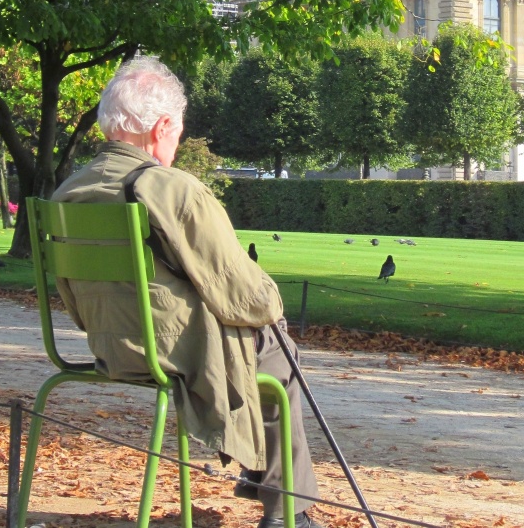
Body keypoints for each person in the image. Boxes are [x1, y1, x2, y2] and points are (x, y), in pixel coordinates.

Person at [52, 56, 322, 528]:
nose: (176, 143)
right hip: (174, 352)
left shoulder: (68, 193)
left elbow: (73, 301)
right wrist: (274, 308)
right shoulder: (170, 188)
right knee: (280, 356)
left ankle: (265, 480)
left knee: (264, 348)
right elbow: (241, 293)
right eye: (177, 132)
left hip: (110, 346)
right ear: (160, 128)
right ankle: (286, 512)